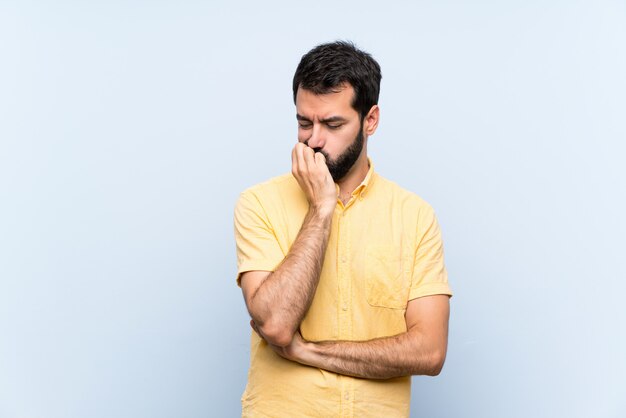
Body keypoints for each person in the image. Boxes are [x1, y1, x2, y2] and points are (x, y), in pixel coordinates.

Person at [233, 41, 452, 417]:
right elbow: (277, 325)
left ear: (370, 120)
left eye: (332, 124)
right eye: (304, 123)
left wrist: (310, 352)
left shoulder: (415, 216)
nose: (314, 140)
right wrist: (321, 208)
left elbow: (429, 351)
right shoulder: (258, 204)